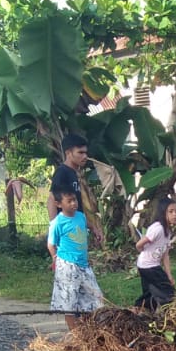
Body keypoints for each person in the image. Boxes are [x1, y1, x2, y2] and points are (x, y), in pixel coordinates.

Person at [48, 186, 105, 330]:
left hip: (83, 265)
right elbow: (51, 244)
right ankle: (75, 334)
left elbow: (87, 224)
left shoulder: (80, 216)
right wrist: (55, 258)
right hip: (67, 265)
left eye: (75, 200)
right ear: (59, 204)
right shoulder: (57, 223)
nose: (74, 203)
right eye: (69, 201)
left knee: (96, 297)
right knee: (69, 302)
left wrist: (95, 230)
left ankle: (89, 328)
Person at [47, 132, 104, 246]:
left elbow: (76, 210)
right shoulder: (62, 172)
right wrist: (55, 230)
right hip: (66, 231)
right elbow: (51, 200)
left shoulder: (73, 173)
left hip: (76, 229)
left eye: (85, 153)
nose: (85, 156)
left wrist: (93, 227)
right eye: (80, 152)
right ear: (68, 153)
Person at [135, 196, 176, 311]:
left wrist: (169, 275)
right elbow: (139, 244)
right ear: (163, 213)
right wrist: (143, 252)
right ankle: (172, 311)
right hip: (149, 266)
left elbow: (165, 255)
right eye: (171, 212)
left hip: (148, 265)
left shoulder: (168, 231)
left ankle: (139, 309)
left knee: (149, 293)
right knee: (168, 291)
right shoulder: (158, 229)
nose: (175, 214)